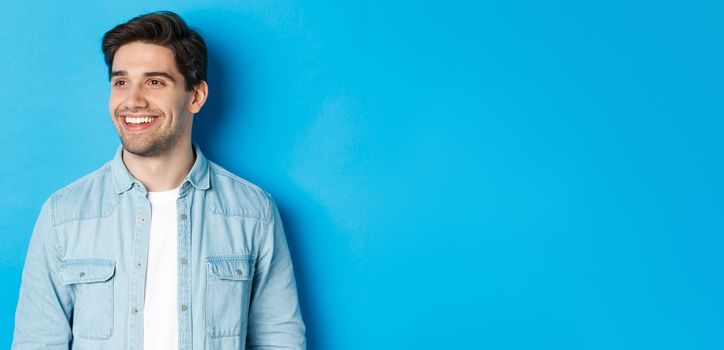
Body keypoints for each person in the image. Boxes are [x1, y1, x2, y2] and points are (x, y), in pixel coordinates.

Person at [12, 11, 305, 350]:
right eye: (121, 81)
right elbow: (37, 343)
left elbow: (279, 339)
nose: (132, 100)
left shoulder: (253, 212)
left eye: (155, 82)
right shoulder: (63, 216)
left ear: (196, 96)